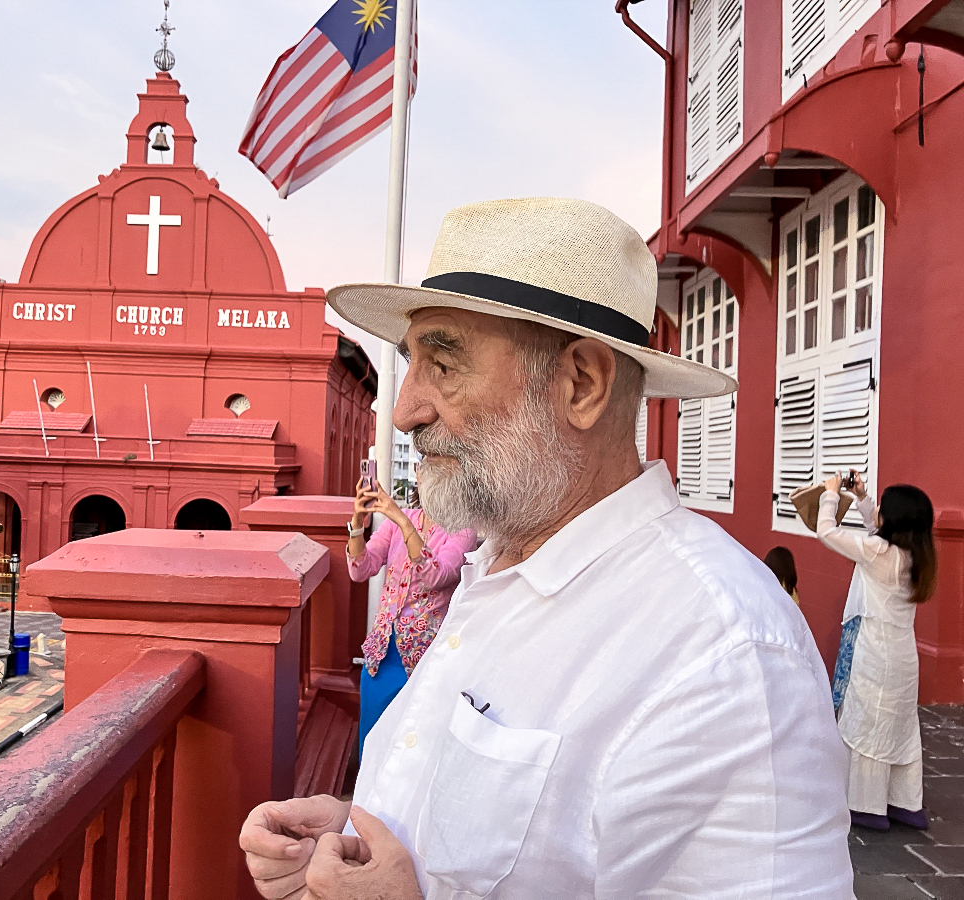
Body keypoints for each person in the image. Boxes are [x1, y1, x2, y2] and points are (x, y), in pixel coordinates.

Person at [240, 197, 852, 898]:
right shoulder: (499, 562)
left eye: (442, 363)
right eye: (411, 363)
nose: (404, 410)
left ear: (581, 384)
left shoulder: (721, 653)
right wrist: (361, 830)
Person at [818, 470, 937, 832]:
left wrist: (830, 495)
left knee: (867, 722)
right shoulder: (917, 556)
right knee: (899, 726)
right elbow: (877, 531)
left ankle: (866, 805)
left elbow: (826, 532)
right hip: (903, 656)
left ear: (894, 519)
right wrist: (864, 499)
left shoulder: (878, 552)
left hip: (874, 653)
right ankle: (903, 803)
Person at [347, 476, 475, 757]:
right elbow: (360, 569)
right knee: (373, 744)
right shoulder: (399, 520)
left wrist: (403, 523)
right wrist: (357, 522)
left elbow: (438, 575)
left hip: (424, 660)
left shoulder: (463, 531)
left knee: (411, 748)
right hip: (381, 656)